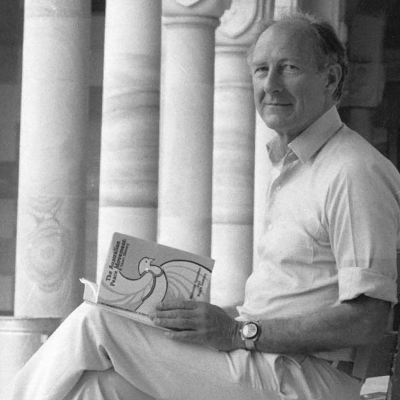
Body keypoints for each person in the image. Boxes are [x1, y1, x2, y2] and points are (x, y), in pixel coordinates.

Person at [2, 11, 400, 400]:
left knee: (96, 322)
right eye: (261, 70)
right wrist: (210, 319)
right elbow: (288, 299)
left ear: (330, 79)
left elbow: (366, 320)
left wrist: (237, 333)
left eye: (289, 67)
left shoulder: (353, 170)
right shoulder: (294, 167)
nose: (270, 84)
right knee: (98, 388)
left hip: (305, 379)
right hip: (267, 361)